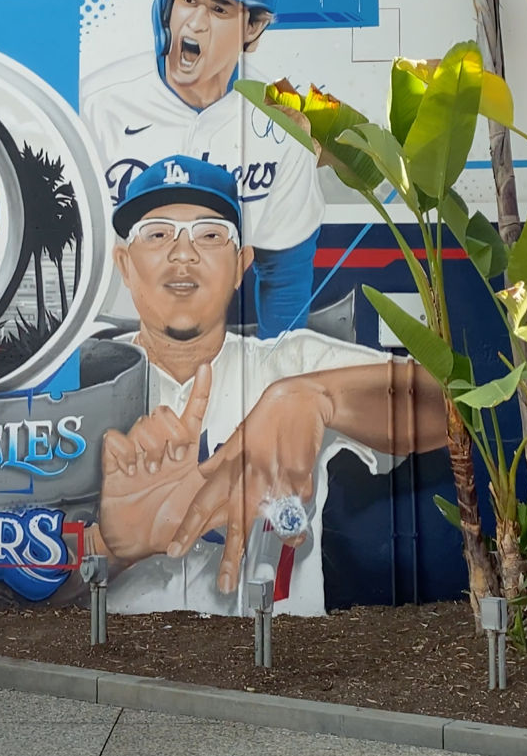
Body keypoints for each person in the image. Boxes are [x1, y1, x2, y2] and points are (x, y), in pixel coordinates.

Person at [88, 155, 451, 616]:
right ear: (125, 261)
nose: (183, 253)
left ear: (242, 264)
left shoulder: (291, 364)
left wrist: (314, 398)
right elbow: (1, 599)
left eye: (210, 234)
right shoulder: (82, 376)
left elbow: (453, 406)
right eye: (157, 233)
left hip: (280, 667)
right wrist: (113, 548)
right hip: (120, 670)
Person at [78, 0, 322, 337]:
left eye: (219, 8)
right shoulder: (100, 105)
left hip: (218, 344)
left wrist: (277, 372)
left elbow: (284, 274)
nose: (195, 21)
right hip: (108, 335)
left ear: (254, 27)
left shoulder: (275, 122)